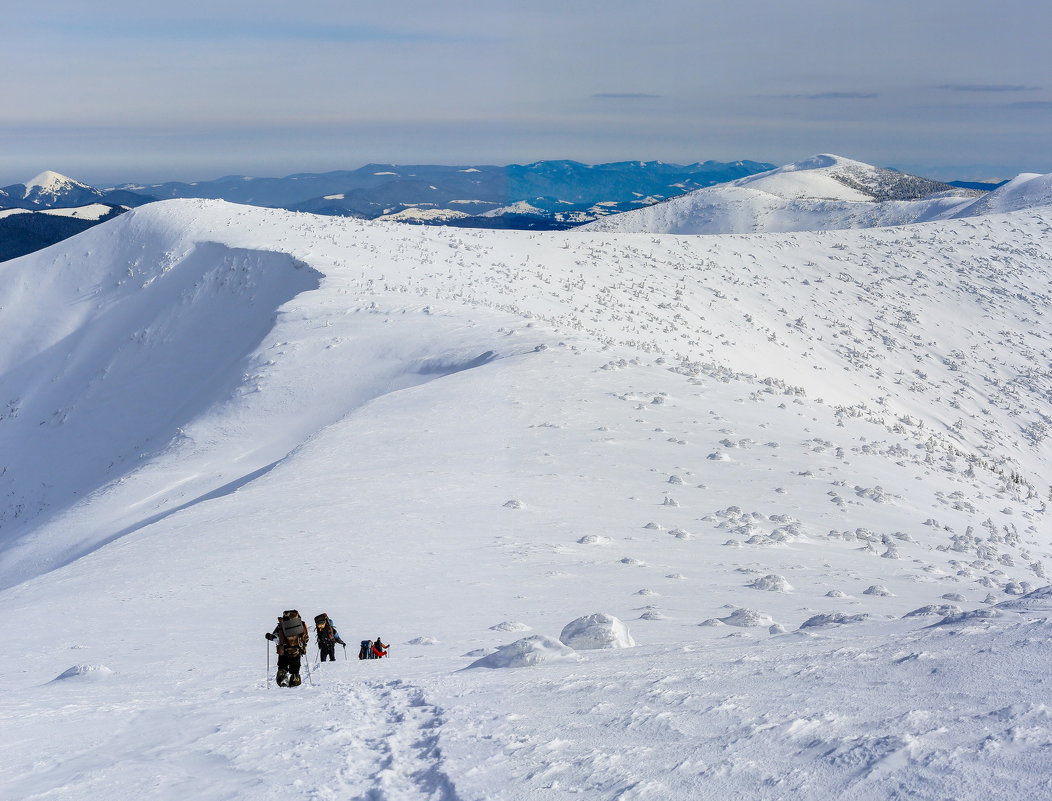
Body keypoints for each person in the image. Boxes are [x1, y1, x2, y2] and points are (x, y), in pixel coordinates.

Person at [265, 609, 309, 687]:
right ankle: (295, 681)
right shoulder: (301, 625)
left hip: (284, 651)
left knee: (282, 666)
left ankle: (283, 679)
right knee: (295, 668)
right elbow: (305, 638)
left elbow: (276, 638)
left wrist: (269, 636)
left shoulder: (281, 625)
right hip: (296, 651)